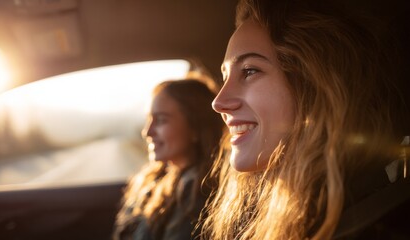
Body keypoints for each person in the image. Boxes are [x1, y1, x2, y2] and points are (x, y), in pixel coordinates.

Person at [201, 0, 410, 239]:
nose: (218, 102)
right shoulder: (277, 210)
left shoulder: (376, 224)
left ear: (318, 86)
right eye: (224, 77)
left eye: (249, 71)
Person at [113, 77, 225, 240]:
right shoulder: (157, 177)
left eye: (161, 120)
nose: (147, 132)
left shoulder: (198, 191)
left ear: (195, 128)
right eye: (149, 119)